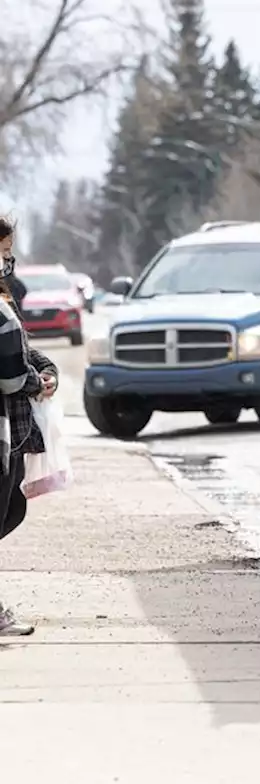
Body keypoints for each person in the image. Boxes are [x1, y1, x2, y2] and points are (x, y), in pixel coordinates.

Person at [0, 216, 58, 637]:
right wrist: (36, 382)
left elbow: (19, 350)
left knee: (11, 508)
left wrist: (41, 366)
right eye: (4, 253)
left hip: (11, 429)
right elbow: (10, 376)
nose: (8, 262)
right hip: (5, 426)